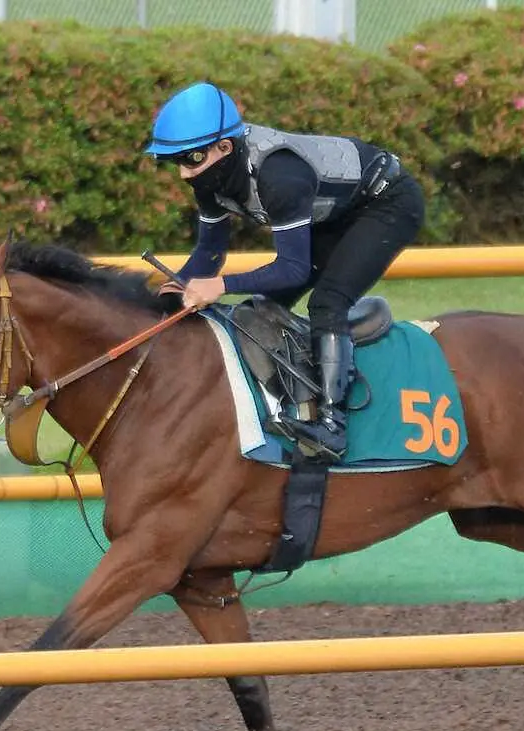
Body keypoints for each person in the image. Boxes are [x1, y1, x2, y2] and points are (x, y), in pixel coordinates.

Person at [144, 81, 426, 462]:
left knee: (328, 301)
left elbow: (292, 269)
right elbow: (210, 251)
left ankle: (332, 426)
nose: (184, 174)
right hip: (336, 209)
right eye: (177, 161)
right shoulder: (211, 176)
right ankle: (282, 401)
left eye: (191, 159)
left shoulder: (280, 177)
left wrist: (220, 285)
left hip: (386, 203)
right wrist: (175, 288)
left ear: (223, 147)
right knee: (262, 308)